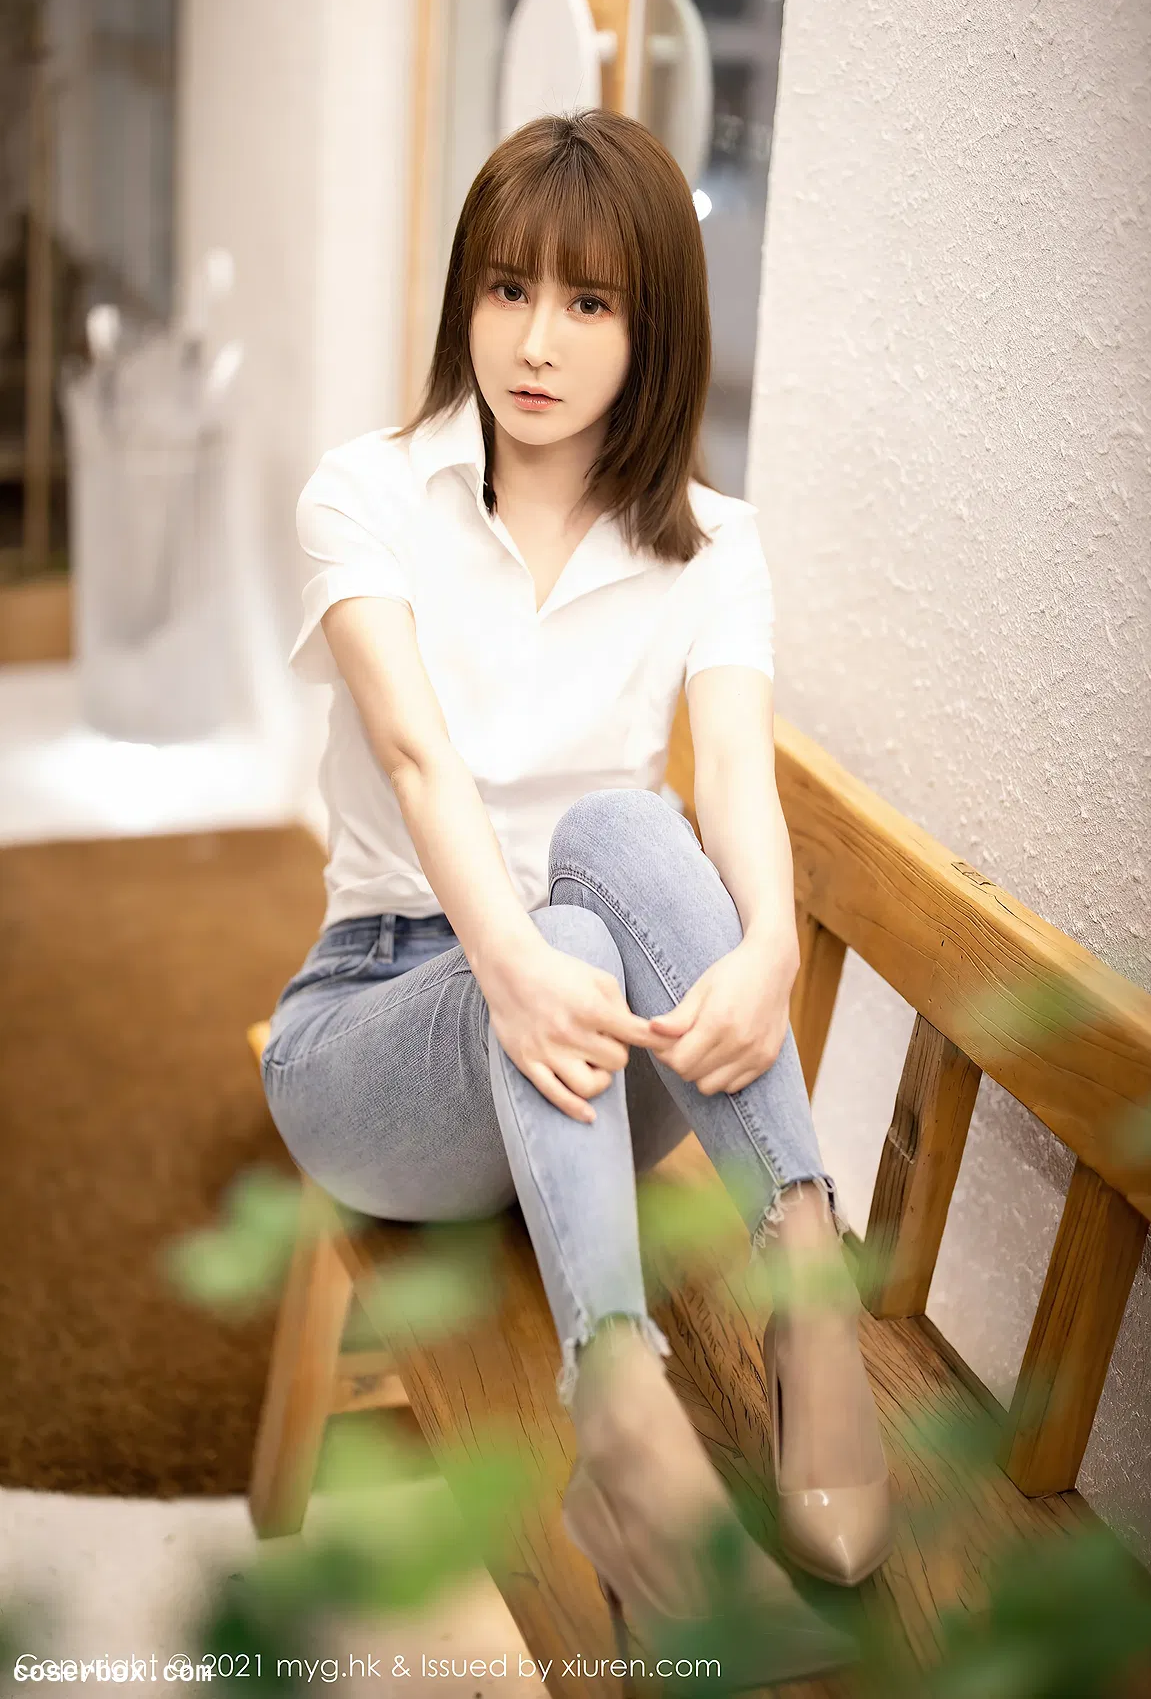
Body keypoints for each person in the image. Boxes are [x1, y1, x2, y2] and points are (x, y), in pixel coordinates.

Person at [261, 109, 890, 1685]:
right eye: (507, 288)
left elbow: (731, 772)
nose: (535, 341)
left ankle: (811, 1295)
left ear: (650, 323)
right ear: (467, 298)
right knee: (552, 923)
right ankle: (624, 1423)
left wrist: (767, 950)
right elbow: (416, 758)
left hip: (603, 1056)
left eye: (589, 302)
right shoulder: (367, 493)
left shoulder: (714, 547)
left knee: (622, 831)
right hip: (380, 1034)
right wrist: (511, 960)